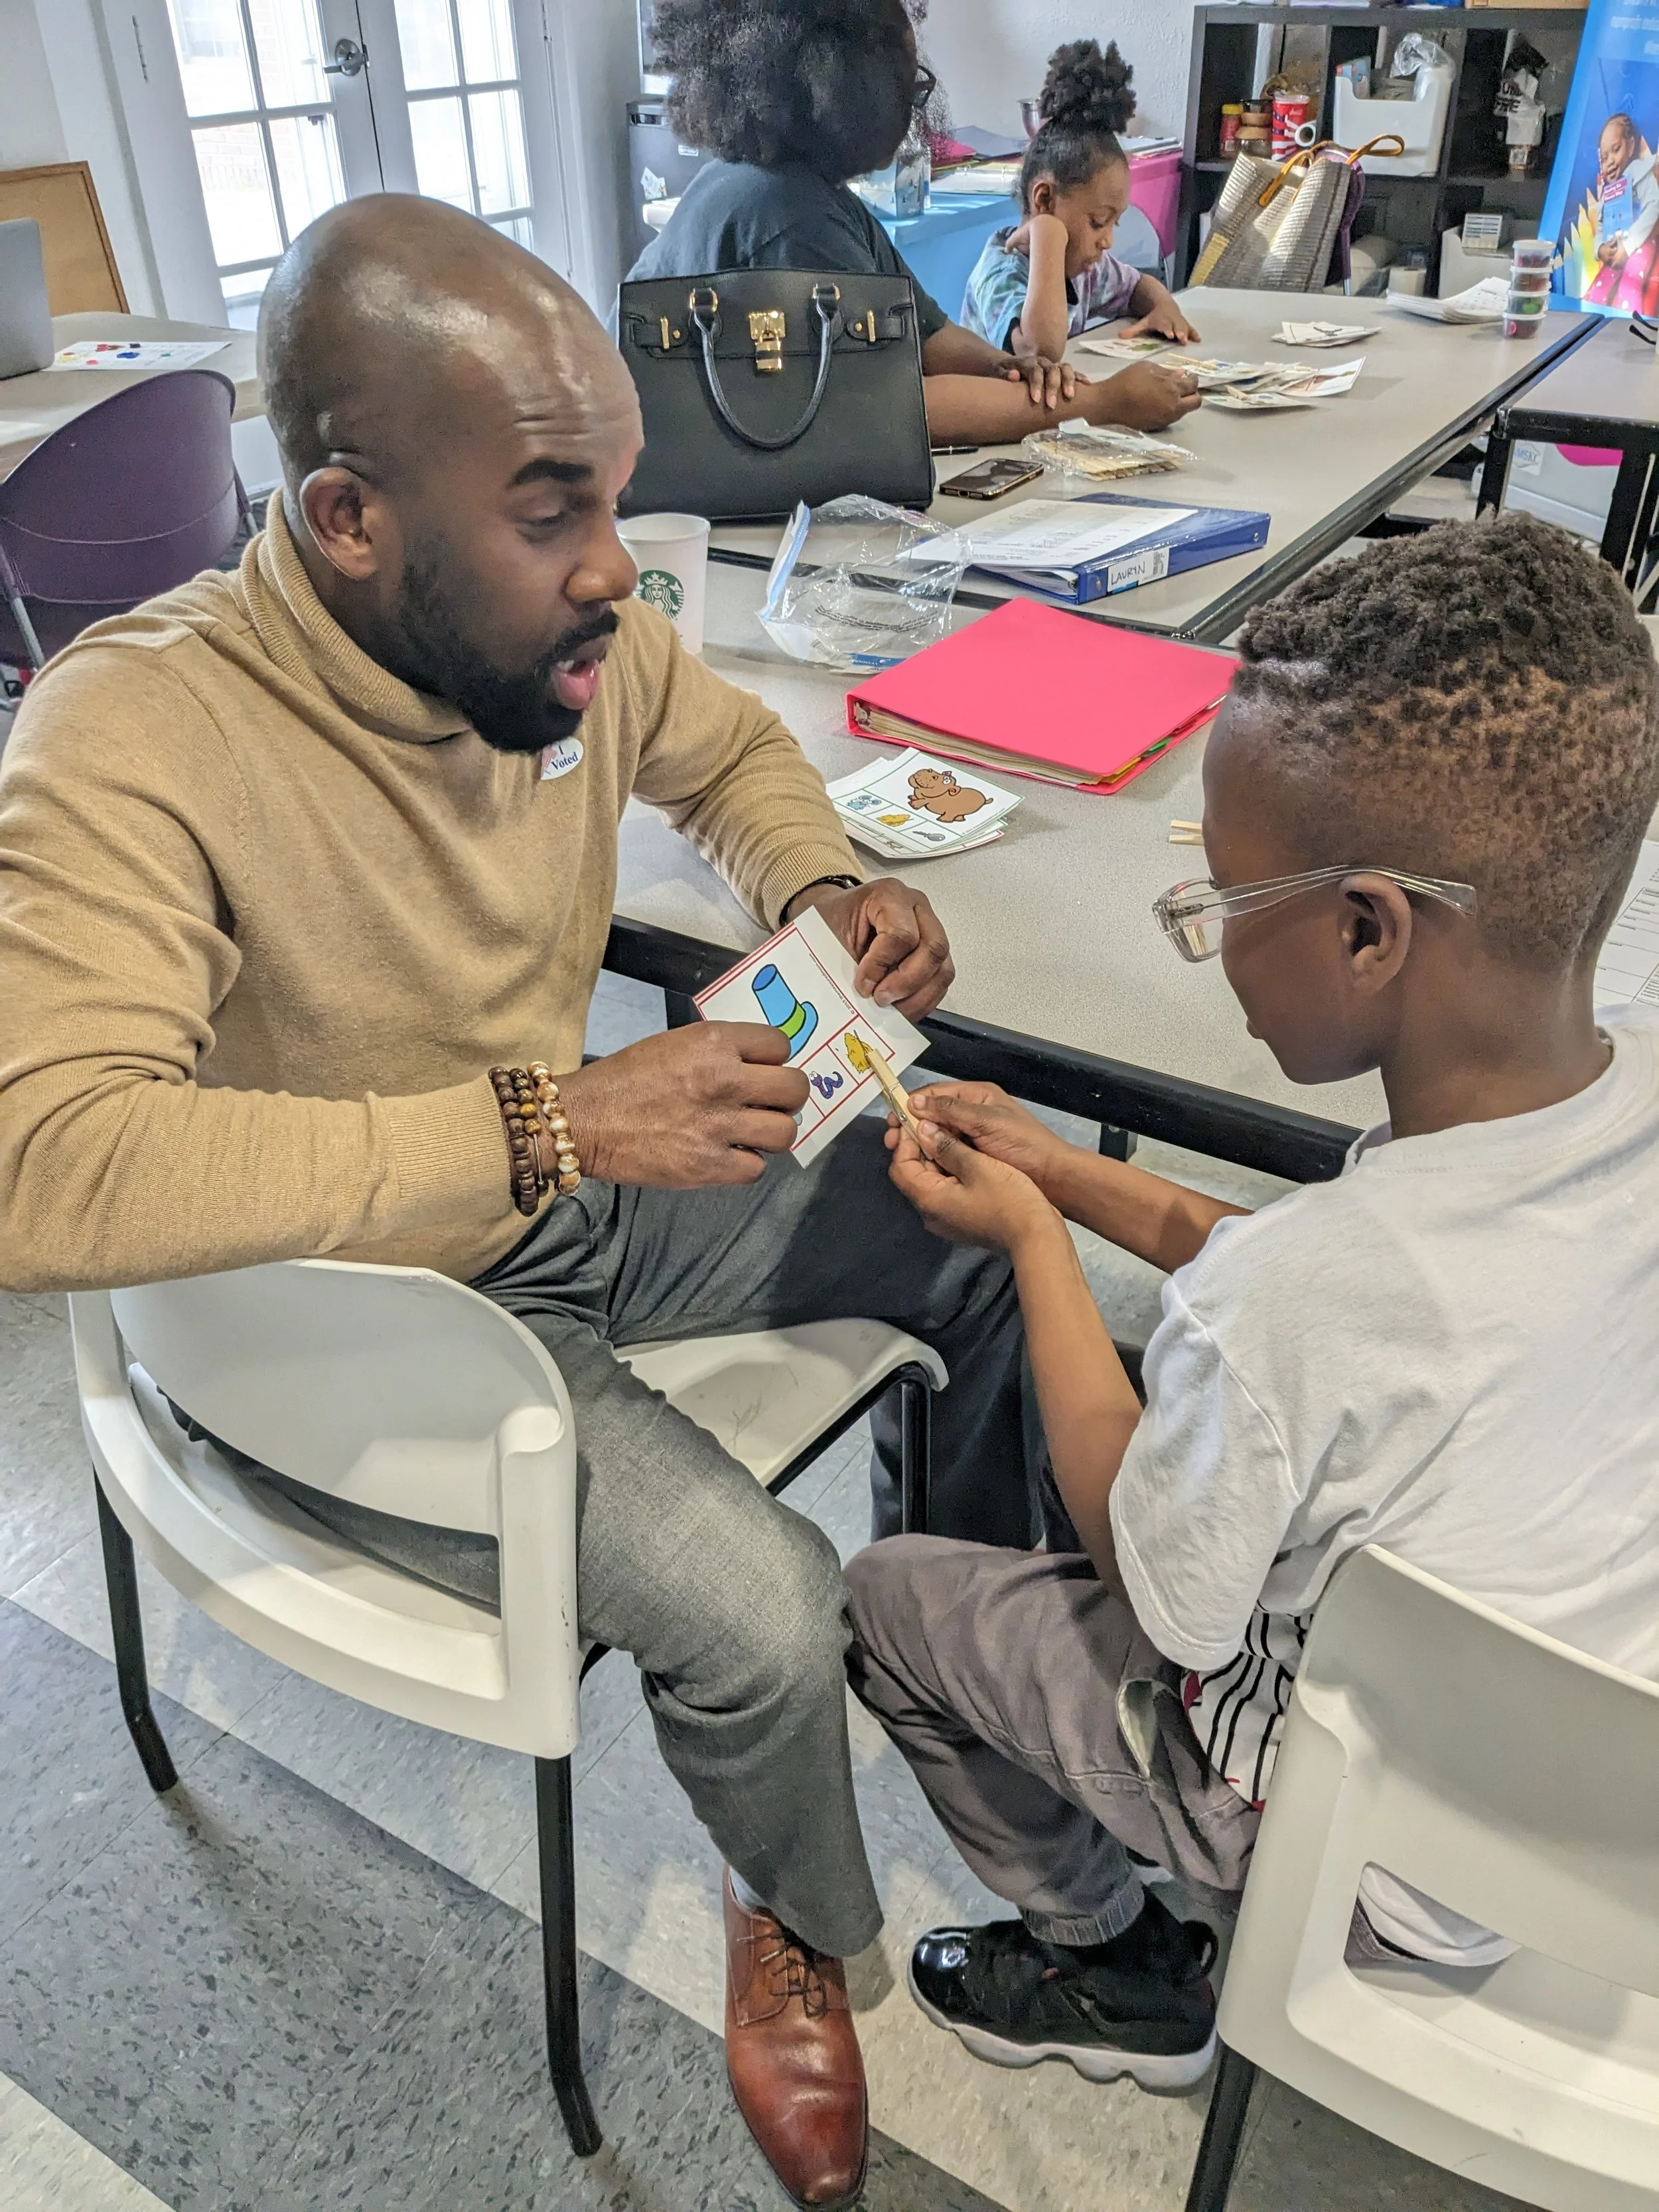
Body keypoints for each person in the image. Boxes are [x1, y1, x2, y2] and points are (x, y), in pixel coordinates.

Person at [0, 196, 1047, 2211]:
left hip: (550, 1191)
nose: (612, 575)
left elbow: (728, 744)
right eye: (555, 510)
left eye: (621, 501)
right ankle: (788, 1896)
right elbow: (42, 1169)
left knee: (969, 1200)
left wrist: (815, 889)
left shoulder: (558, 634)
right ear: (345, 516)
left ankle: (966, 1667)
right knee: (756, 1607)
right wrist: (551, 1124)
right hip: (333, 1325)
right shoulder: (131, 732)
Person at [843, 515, 1659, 2087]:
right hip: (1585, 1809)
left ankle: (1115, 1965)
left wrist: (1029, 1240)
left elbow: (1162, 1593)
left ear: (1367, 927)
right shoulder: (1609, 1118)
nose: (1212, 941)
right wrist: (1073, 1176)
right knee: (1170, 1358)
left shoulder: (1291, 1302)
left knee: (882, 1599)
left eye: (1221, 902)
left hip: (1371, 1861)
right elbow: (1320, 1291)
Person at [628, 0, 1200, 443]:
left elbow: (924, 334)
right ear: (849, 88)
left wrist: (1015, 369)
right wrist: (1100, 405)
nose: (915, 104)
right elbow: (898, 403)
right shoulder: (785, 216)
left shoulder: (804, 192)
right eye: (908, 83)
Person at [961, 40, 1199, 363]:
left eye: (1114, 223)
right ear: (1044, 200)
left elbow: (1137, 286)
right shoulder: (1001, 275)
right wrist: (1047, 234)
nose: (1108, 241)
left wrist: (1164, 307)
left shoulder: (1085, 270)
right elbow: (1040, 353)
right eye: (1098, 222)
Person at [1587, 112, 1659, 313]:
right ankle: (1591, 321)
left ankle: (1628, 324)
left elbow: (1654, 207)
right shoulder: (1610, 190)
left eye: (1616, 150)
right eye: (1604, 157)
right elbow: (1601, 225)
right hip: (1615, 246)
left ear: (1631, 147)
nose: (1609, 161)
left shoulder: (1639, 172)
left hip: (1641, 244)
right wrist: (1600, 249)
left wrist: (1628, 247)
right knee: (1601, 286)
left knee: (1632, 281)